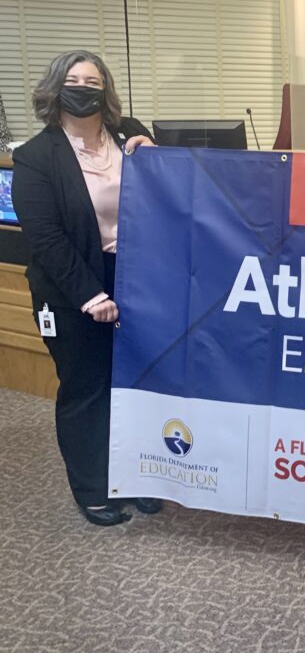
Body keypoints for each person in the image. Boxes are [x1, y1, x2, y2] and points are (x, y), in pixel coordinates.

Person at [11, 50, 164, 527]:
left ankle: (137, 477)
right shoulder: (37, 156)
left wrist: (160, 159)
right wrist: (90, 295)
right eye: (74, 80)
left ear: (106, 90)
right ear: (56, 90)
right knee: (88, 388)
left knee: (136, 385)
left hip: (137, 276)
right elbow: (46, 239)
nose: (84, 87)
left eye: (93, 80)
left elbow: (167, 196)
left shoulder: (128, 134)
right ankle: (93, 488)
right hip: (73, 286)